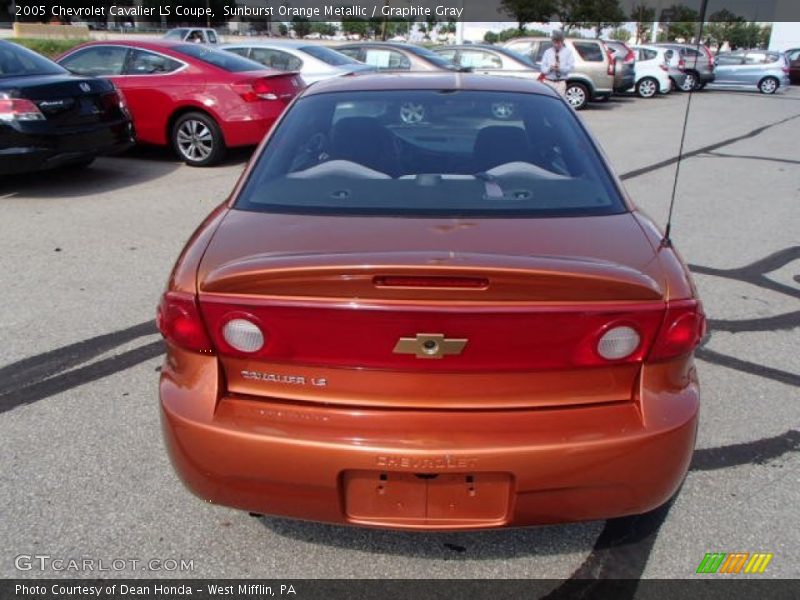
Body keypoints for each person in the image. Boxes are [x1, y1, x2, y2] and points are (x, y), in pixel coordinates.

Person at [539, 30, 575, 97]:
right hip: (548, 82)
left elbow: (571, 67)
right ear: (552, 41)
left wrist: (560, 68)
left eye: (559, 42)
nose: (557, 45)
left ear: (562, 41)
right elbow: (542, 68)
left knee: (559, 101)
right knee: (549, 101)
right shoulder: (547, 52)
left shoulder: (568, 52)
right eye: (555, 42)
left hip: (560, 82)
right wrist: (550, 68)